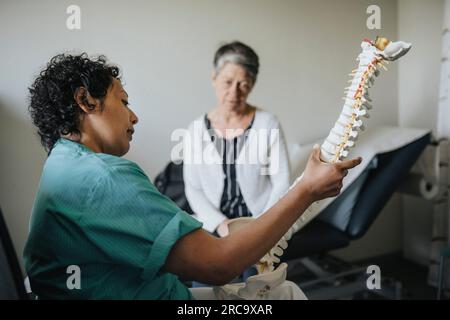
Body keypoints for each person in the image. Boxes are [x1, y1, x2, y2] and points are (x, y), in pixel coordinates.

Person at [23, 53, 361, 299]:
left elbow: (277, 182)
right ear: (85, 100)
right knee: (281, 298)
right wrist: (307, 191)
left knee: (280, 290)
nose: (134, 116)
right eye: (124, 102)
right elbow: (217, 264)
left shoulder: (63, 164)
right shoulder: (104, 178)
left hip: (174, 278)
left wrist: (256, 222)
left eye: (244, 83)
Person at [183, 41, 290, 240]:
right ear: (214, 78)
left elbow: (281, 182)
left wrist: (263, 223)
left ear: (252, 85)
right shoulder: (196, 130)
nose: (234, 92)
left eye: (243, 84)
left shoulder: (267, 123)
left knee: (257, 269)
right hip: (214, 225)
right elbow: (193, 188)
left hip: (261, 221)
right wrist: (220, 225)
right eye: (227, 82)